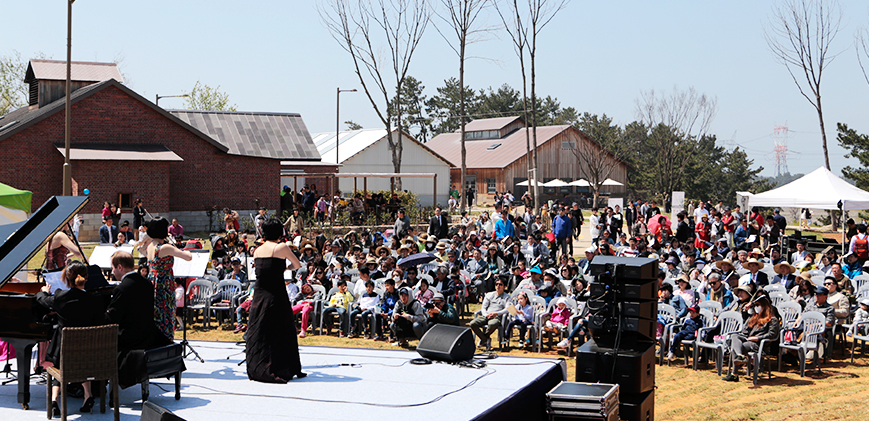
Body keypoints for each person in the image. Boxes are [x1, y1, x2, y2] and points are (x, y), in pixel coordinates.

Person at [36, 261, 106, 415]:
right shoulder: (95, 300)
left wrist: (44, 291)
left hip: (63, 352)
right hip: (88, 352)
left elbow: (43, 300)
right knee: (81, 360)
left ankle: (54, 400)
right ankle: (88, 396)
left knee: (59, 364)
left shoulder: (61, 296)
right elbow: (100, 321)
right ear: (86, 277)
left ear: (66, 279)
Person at [246, 218, 306, 382]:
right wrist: (285, 268)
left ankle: (258, 365)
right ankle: (282, 365)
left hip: (259, 294)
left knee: (261, 329)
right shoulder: (281, 247)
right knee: (282, 329)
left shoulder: (257, 250)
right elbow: (297, 264)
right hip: (276, 293)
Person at [105, 251, 171, 389]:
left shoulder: (122, 288)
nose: (112, 272)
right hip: (149, 334)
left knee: (100, 343)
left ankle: (96, 382)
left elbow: (112, 318)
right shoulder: (146, 283)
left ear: (120, 267)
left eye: (112, 268)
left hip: (129, 339)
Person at [146, 217, 192, 342]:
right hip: (164, 284)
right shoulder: (165, 247)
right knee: (165, 314)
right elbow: (188, 257)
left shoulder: (150, 246)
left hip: (152, 281)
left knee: (155, 314)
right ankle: (166, 341)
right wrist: (177, 247)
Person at [722, 295, 780, 382]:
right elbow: (746, 326)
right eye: (755, 306)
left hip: (759, 344)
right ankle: (740, 356)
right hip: (748, 339)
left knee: (737, 346)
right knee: (734, 336)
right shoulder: (754, 317)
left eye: (758, 305)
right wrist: (746, 309)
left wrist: (757, 338)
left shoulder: (772, 319)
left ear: (764, 306)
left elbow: (772, 334)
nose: (756, 308)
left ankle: (734, 374)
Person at [469, 278, 510, 350]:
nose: (498, 286)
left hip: (497, 317)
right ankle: (485, 338)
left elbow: (508, 309)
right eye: (496, 284)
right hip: (486, 315)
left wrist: (496, 313)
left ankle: (483, 339)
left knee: (492, 324)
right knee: (472, 323)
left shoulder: (507, 297)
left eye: (500, 284)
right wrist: (486, 315)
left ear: (505, 287)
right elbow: (483, 307)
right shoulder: (489, 295)